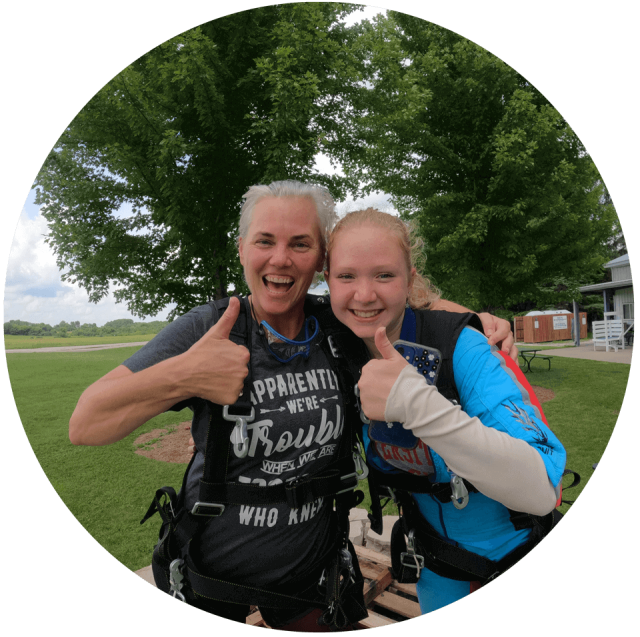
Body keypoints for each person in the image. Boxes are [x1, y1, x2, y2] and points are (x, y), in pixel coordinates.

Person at [69, 181, 516, 630]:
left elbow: (400, 293)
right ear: (243, 248)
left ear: (320, 260)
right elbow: (86, 423)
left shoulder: (338, 325)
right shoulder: (209, 328)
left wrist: (476, 323)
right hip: (210, 579)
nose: (280, 258)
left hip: (313, 579)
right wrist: (184, 374)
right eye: (265, 240)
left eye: (300, 244)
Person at [324, 208, 567, 614]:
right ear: (327, 281)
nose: (364, 294)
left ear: (410, 280)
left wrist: (418, 405)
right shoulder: (340, 351)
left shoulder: (463, 348)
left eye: (384, 275)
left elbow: (541, 491)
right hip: (435, 567)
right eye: (346, 276)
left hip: (517, 550)